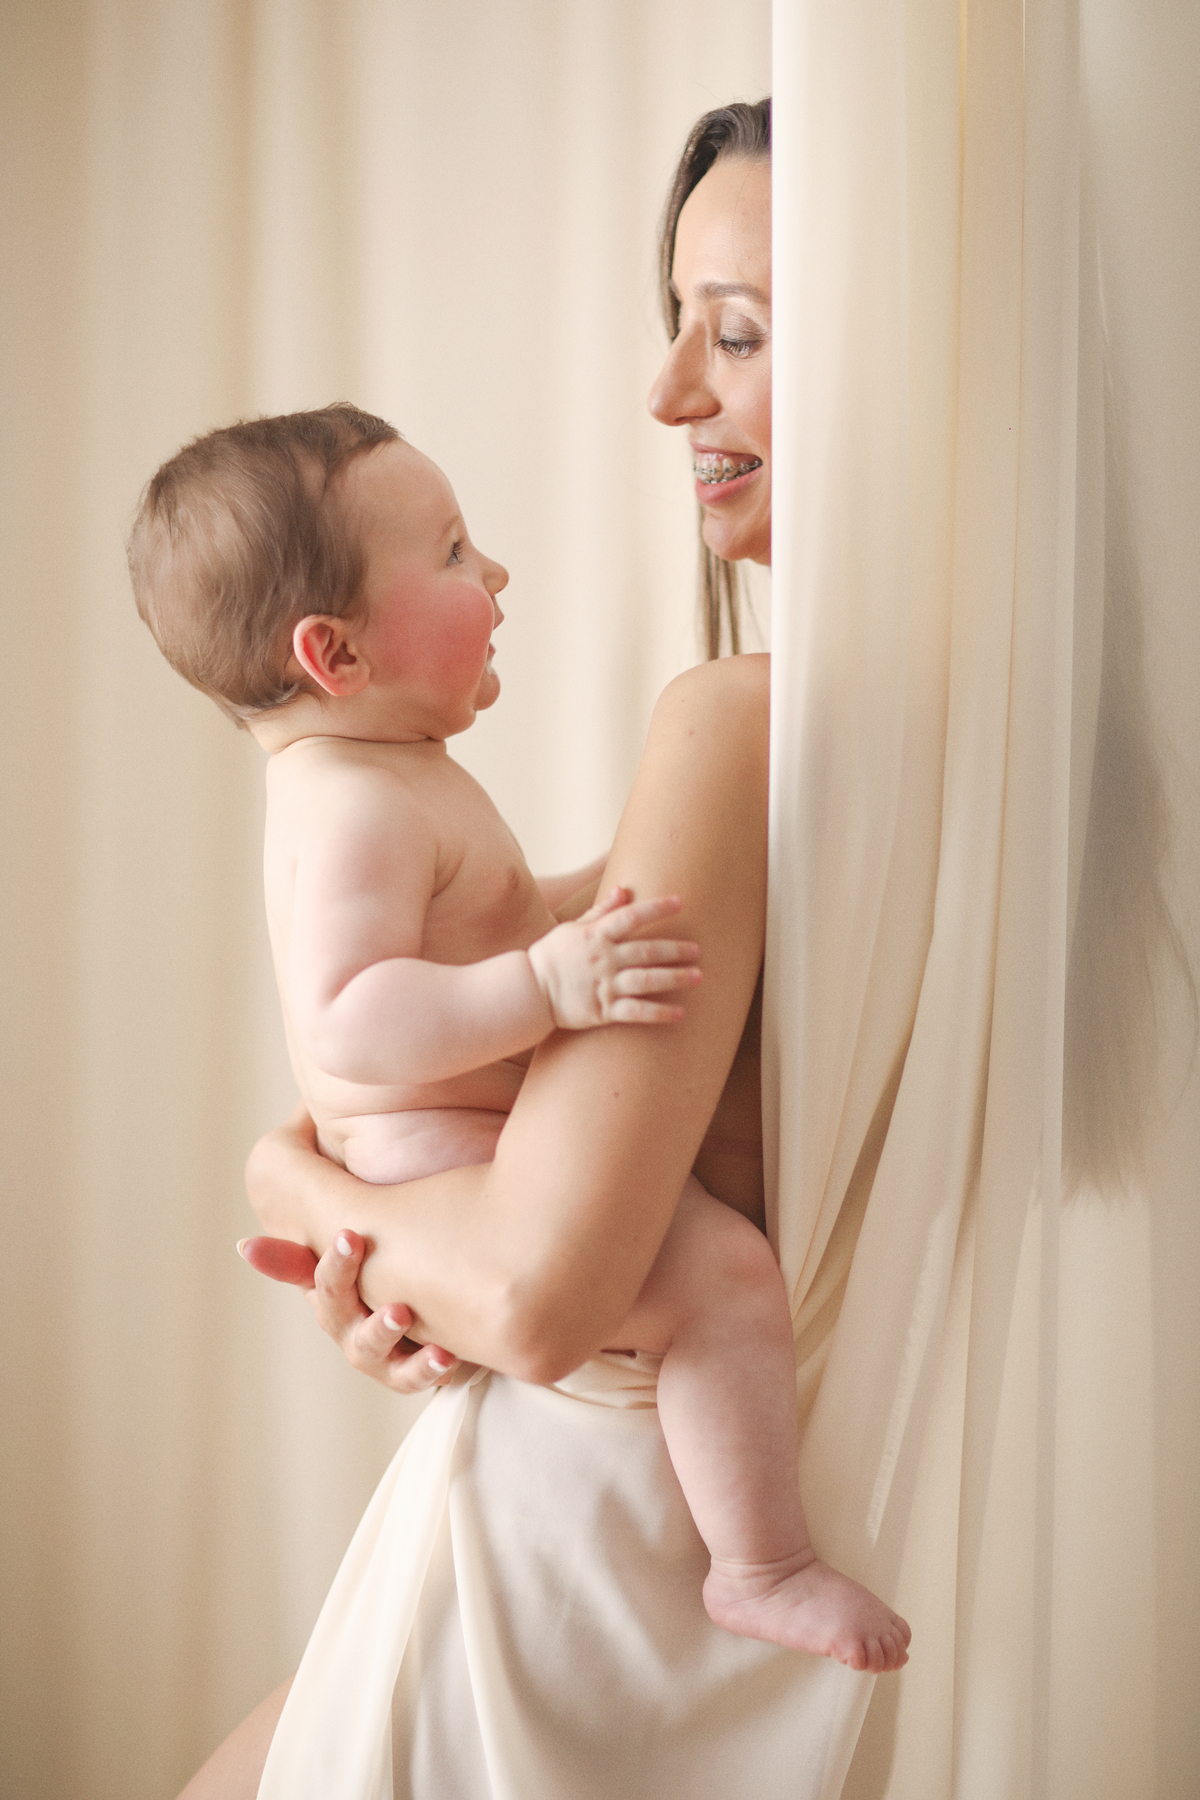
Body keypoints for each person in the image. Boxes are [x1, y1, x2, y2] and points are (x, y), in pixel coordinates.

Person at [178, 99, 908, 1800]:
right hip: (734, 1523)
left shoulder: (739, 725)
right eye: (677, 326)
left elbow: (529, 1288)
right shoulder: (1026, 756)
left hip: (597, 1556)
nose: (667, 393)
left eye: (733, 333)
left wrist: (307, 1194)